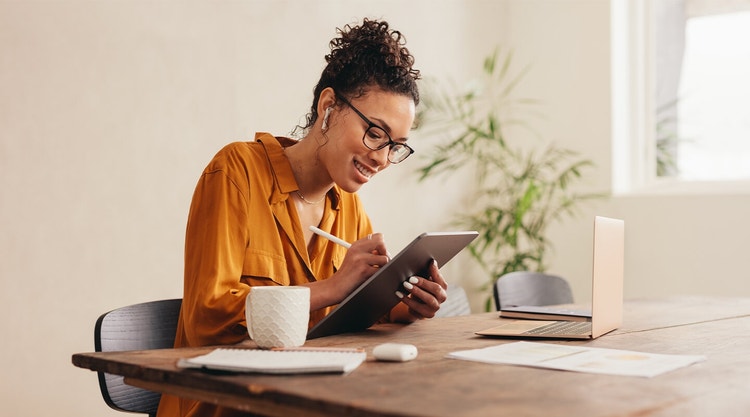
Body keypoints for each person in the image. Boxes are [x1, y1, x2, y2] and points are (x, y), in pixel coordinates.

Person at [156, 18, 448, 417]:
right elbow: (208, 316)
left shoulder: (347, 208)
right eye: (375, 133)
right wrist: (332, 286)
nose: (381, 158)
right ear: (328, 106)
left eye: (395, 146)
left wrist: (403, 307)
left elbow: (349, 316)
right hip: (223, 406)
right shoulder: (236, 172)